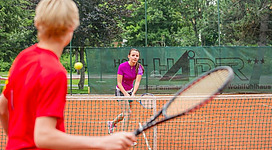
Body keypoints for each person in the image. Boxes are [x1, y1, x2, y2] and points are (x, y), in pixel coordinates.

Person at [0, 0, 136, 149]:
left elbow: (2, 108)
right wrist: (103, 142)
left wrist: (17, 142)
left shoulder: (23, 57)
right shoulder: (55, 72)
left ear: (38, 23)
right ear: (71, 28)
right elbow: (44, 136)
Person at [108, 48, 144, 136]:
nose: (135, 57)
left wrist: (133, 93)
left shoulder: (139, 68)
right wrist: (125, 94)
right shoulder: (122, 66)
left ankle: (111, 123)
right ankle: (123, 136)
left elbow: (137, 82)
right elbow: (119, 83)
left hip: (130, 91)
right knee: (128, 114)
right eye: (133, 55)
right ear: (129, 56)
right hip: (120, 91)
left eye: (137, 56)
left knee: (126, 113)